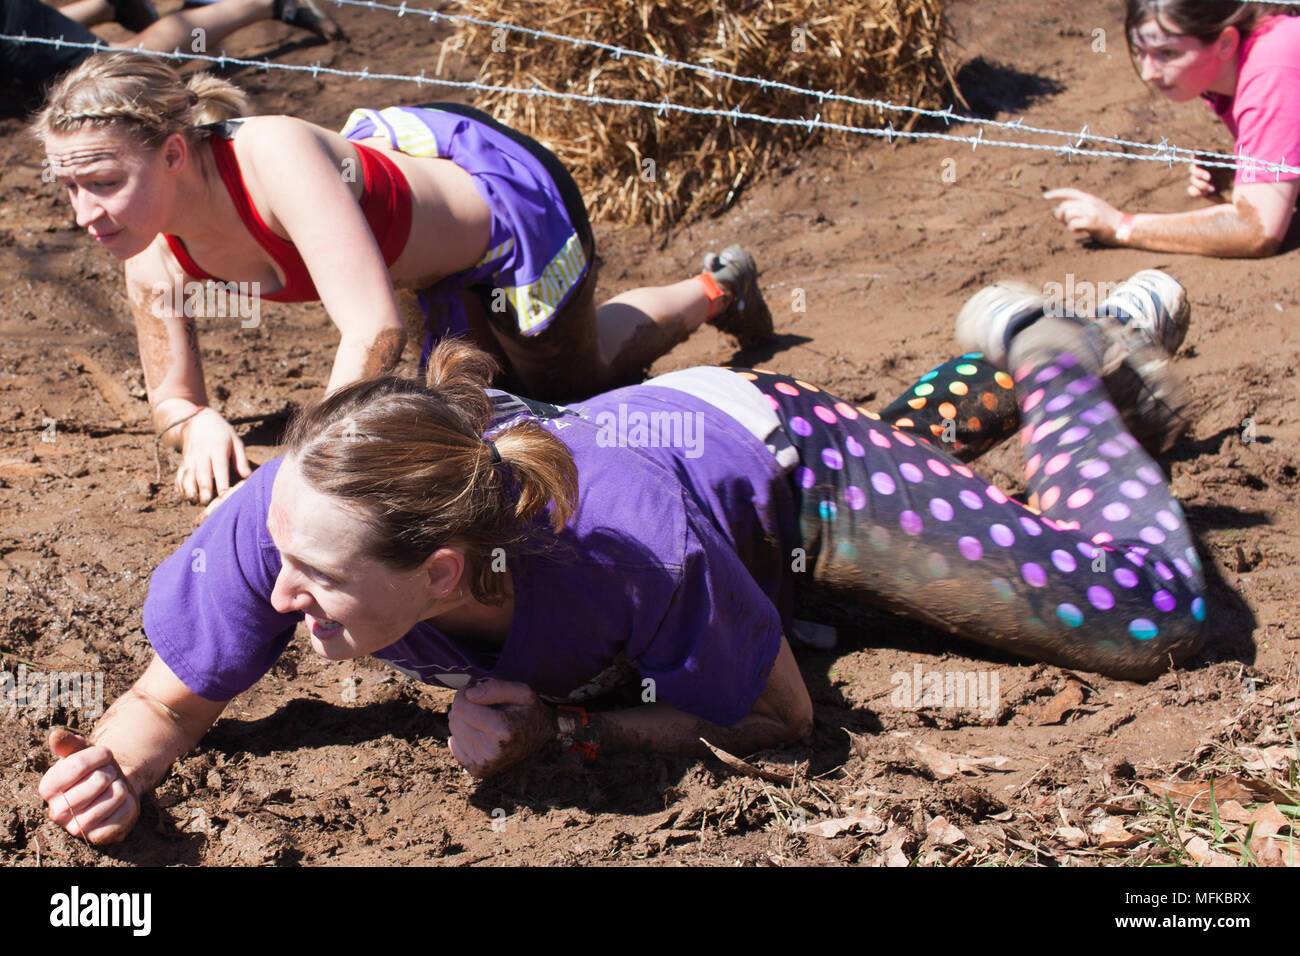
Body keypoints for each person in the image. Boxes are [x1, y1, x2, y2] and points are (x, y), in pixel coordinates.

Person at [38, 279, 1207, 844]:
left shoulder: (626, 552)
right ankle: (971, 403)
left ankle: (1049, 351)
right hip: (712, 495)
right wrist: (115, 770)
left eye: (321, 581)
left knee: (1139, 620)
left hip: (787, 467)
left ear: (444, 573)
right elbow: (168, 697)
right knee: (905, 543)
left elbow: (780, 714)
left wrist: (565, 732)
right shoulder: (299, 510)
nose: (280, 594)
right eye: (281, 557)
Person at [32, 52, 774, 507]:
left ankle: (717, 288)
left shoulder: (271, 156)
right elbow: (171, 395)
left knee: (576, 386)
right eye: (69, 189)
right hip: (410, 272)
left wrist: (303, 467)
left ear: (171, 153)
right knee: (475, 406)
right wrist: (194, 425)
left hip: (505, 214)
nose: (85, 213)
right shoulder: (147, 251)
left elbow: (373, 327)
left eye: (101, 181)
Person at [1044, 1, 1300, 258]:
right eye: (1140, 51)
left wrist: (1120, 225)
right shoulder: (1246, 57)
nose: (1148, 73)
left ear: (1225, 43)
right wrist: (1247, 171)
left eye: (1166, 53)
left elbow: (1256, 230)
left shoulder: (1271, 70)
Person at [1, 0, 339, 93]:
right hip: (13, 23)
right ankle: (108, 6)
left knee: (117, 68)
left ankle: (263, 4)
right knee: (38, 35)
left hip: (11, 28)